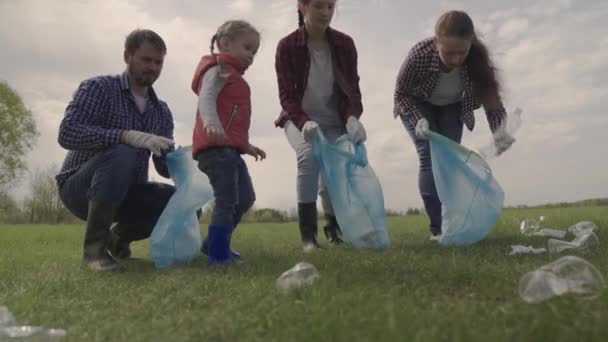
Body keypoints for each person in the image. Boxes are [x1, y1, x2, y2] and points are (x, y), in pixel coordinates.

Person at [57, 29, 178, 271]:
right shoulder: (98, 88)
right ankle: (94, 254)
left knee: (182, 203)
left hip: (127, 194)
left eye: (158, 62)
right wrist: (124, 136)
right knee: (124, 150)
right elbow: (67, 133)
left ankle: (117, 239)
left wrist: (179, 159)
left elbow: (164, 170)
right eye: (146, 60)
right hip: (80, 189)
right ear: (128, 56)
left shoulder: (161, 111)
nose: (152, 67)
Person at [393, 10, 516, 241]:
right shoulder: (418, 55)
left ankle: (453, 222)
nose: (456, 59)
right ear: (436, 43)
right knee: (429, 157)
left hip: (452, 107)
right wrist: (417, 117)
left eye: (462, 52)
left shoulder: (477, 61)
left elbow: (493, 103)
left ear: (471, 44)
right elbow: (401, 94)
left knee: (449, 161)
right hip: (418, 104)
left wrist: (501, 132)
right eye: (448, 53)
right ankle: (437, 230)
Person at [275, 0, 366, 252]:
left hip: (335, 121)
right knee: (308, 156)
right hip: (298, 119)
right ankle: (308, 238)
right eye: (319, 6)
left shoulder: (345, 44)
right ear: (303, 7)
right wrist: (304, 122)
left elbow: (353, 91)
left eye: (330, 6)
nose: (326, 13)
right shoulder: (287, 47)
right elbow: (287, 97)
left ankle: (334, 229)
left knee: (334, 174)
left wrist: (352, 117)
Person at [192, 20, 266, 265]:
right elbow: (207, 97)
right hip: (215, 149)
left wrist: (246, 146)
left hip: (230, 150)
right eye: (247, 47)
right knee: (227, 200)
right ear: (225, 44)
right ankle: (218, 255)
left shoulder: (234, 77)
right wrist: (210, 123)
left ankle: (213, 245)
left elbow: (233, 122)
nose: (251, 55)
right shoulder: (217, 69)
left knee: (245, 198)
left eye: (254, 52)